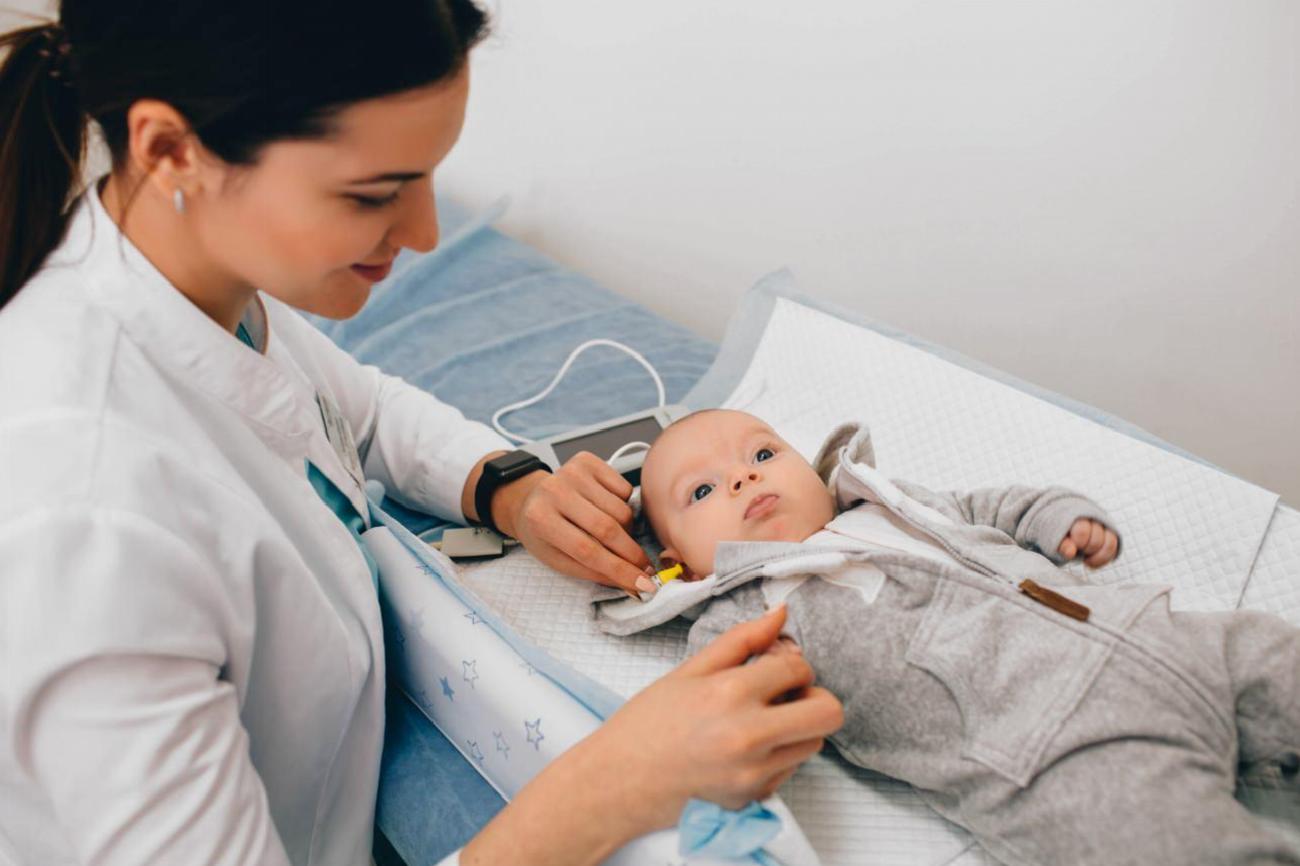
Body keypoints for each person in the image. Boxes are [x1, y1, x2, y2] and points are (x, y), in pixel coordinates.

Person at [0, 4, 843, 865]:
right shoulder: (87, 528)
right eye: (373, 194)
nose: (425, 234)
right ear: (171, 150)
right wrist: (618, 782)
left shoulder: (200, 286)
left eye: (429, 175)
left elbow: (354, 406)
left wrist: (509, 487)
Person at [614, 408, 1300, 865]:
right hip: (1053, 754)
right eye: (702, 494)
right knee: (1170, 844)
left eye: (763, 452)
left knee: (1274, 656)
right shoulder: (739, 616)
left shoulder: (891, 503)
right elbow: (727, 707)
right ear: (680, 563)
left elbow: (990, 507)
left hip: (1159, 635)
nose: (744, 475)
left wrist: (1059, 517)